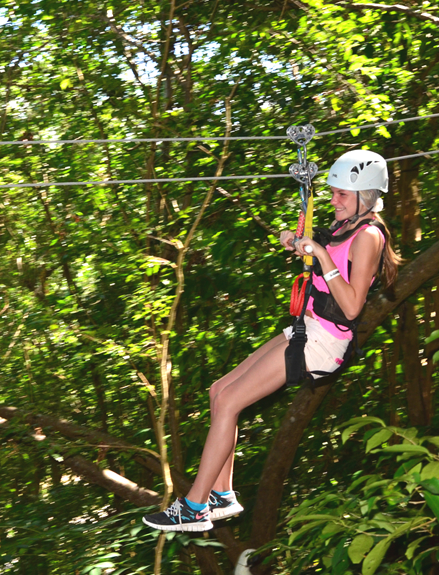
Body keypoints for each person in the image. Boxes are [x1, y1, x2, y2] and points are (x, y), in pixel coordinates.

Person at [142, 150, 401, 532]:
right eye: (332, 193)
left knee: (230, 401)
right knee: (219, 391)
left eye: (341, 194)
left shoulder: (369, 237)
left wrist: (323, 257)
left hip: (325, 342)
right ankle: (221, 495)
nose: (333, 200)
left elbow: (350, 307)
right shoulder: (345, 225)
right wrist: (297, 243)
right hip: (306, 328)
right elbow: (319, 261)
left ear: (365, 195)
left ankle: (194, 507)